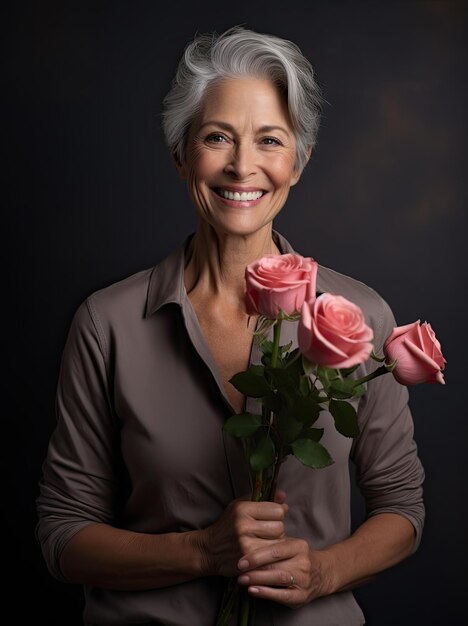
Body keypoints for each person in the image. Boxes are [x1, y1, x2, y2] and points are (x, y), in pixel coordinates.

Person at [36, 26, 425, 626]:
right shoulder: (105, 324)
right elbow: (63, 534)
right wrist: (198, 552)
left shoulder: (361, 316)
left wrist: (324, 571)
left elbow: (403, 511)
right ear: (180, 153)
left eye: (270, 140)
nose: (243, 166)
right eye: (217, 137)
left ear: (298, 162)